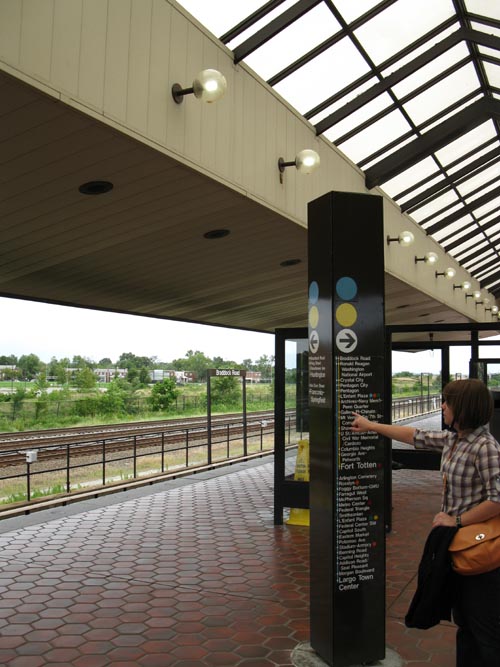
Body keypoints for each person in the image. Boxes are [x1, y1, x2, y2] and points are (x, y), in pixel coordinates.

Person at [351, 378, 500, 667]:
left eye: (448, 401)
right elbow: (414, 436)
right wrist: (372, 426)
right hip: (456, 543)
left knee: (486, 628)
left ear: (465, 407)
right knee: (465, 622)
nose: (442, 405)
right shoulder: (454, 440)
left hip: (480, 548)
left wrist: (455, 519)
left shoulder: (486, 447)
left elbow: (497, 499)